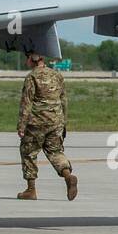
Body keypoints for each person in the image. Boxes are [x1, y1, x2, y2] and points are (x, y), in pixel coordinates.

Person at [17, 51, 78, 201]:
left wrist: (21, 125)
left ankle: (31, 190)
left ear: (33, 59)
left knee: (28, 152)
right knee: (55, 152)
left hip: (36, 123)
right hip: (56, 121)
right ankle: (68, 176)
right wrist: (64, 123)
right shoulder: (57, 75)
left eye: (27, 58)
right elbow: (64, 100)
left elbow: (27, 103)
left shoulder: (31, 77)